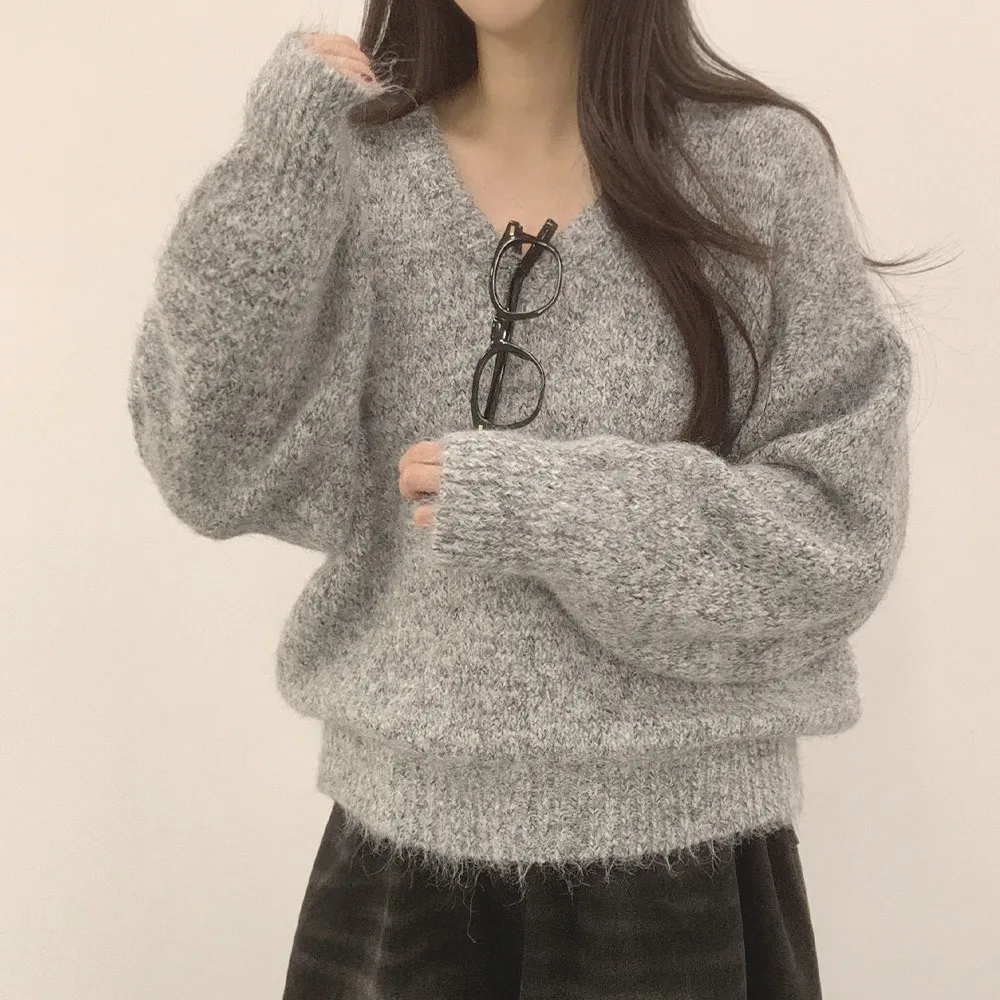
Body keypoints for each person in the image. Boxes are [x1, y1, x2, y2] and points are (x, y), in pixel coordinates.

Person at [127, 3, 930, 996]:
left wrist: (551, 508)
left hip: (680, 879)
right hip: (396, 870)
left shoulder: (756, 165)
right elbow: (207, 467)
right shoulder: (354, 168)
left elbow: (838, 530)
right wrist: (276, 166)